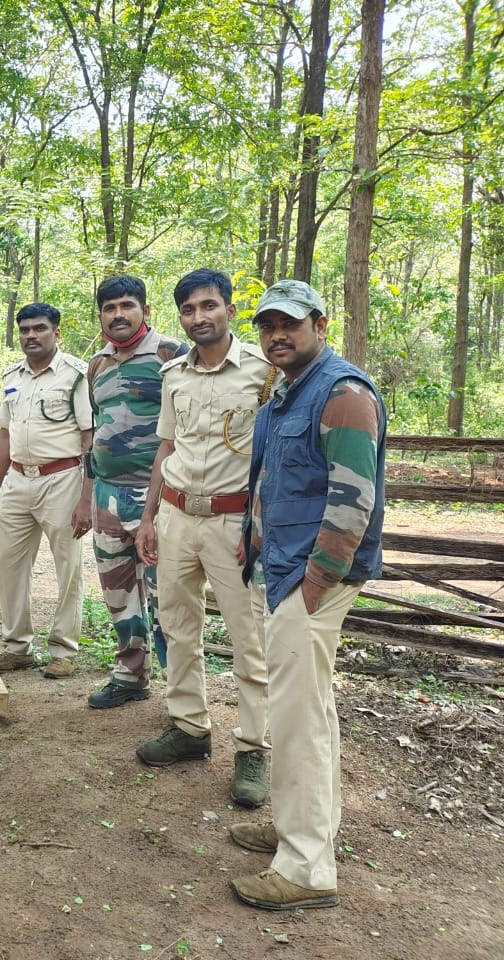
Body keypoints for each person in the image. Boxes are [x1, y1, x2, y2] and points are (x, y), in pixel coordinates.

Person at [229, 280, 385, 911]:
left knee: (295, 721)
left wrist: (316, 581)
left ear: (319, 323)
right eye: (267, 327)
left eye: (289, 324)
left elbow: (353, 499)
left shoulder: (343, 393)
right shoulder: (287, 391)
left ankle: (305, 868)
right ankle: (303, 826)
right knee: (310, 711)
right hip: (286, 567)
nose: (276, 336)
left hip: (311, 578)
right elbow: (273, 478)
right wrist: (255, 541)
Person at [134, 269, 277, 808]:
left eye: (209, 306)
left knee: (249, 637)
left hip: (233, 523)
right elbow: (165, 451)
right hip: (175, 518)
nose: (200, 317)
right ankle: (189, 727)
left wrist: (257, 525)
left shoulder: (263, 375)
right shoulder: (174, 375)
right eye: (190, 309)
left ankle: (252, 748)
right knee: (177, 625)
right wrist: (149, 519)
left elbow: (274, 461)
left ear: (229, 308)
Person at [76, 275, 187, 708]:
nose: (118, 314)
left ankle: (180, 694)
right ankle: (129, 673)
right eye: (109, 307)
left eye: (127, 305)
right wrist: (86, 497)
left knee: (166, 598)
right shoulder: (98, 364)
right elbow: (96, 433)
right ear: (100, 314)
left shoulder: (172, 356)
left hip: (158, 497)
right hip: (107, 495)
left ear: (145, 310)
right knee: (118, 592)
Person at [0, 303, 93, 679]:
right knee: (9, 566)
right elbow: (4, 435)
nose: (31, 335)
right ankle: (17, 647)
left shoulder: (76, 375)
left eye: (40, 329)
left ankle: (64, 650)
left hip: (62, 479)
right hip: (17, 480)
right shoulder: (12, 377)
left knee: (69, 568)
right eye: (25, 330)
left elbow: (88, 436)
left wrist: (86, 496)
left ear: (56, 333)